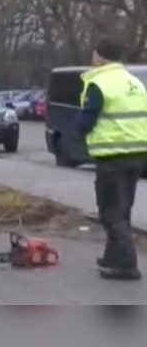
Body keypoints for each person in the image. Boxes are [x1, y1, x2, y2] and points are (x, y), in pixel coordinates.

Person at [76, 35, 147, 281]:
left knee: (110, 212)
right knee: (122, 209)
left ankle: (127, 265)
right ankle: (112, 257)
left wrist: (80, 129)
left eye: (95, 54)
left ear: (101, 57)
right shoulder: (134, 82)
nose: (92, 58)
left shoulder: (100, 82)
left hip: (112, 155)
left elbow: (87, 119)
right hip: (137, 154)